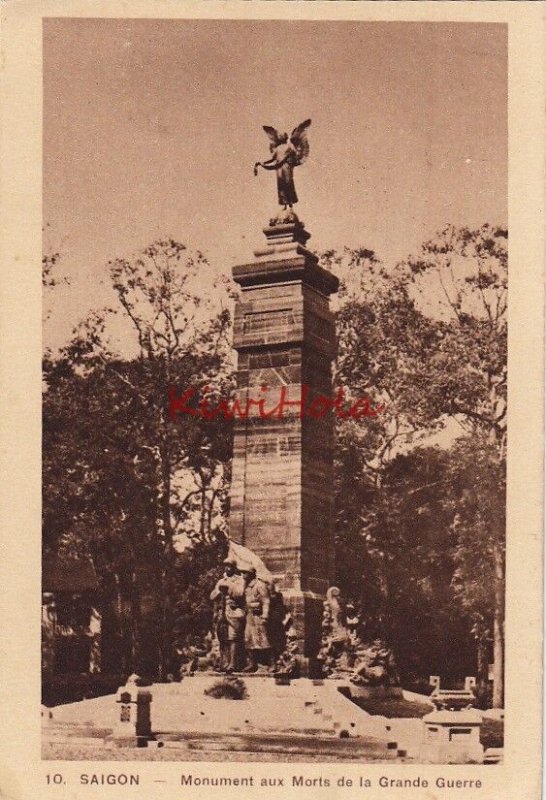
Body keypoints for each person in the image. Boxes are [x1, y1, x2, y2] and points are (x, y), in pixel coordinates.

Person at [209, 558, 246, 673]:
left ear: (234, 568)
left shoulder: (239, 580)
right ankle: (224, 662)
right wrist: (219, 591)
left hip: (234, 611)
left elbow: (240, 593)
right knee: (222, 638)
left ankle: (233, 664)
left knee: (233, 637)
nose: (227, 568)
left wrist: (229, 588)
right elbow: (212, 596)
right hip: (222, 612)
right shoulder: (221, 581)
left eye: (230, 566)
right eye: (226, 566)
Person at [243, 567, 271, 672]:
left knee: (263, 639)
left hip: (258, 616)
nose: (243, 575)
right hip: (249, 616)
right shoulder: (247, 587)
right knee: (248, 639)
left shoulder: (260, 585)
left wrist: (265, 615)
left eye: (245, 573)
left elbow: (266, 601)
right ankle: (252, 663)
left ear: (251, 574)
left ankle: (271, 663)